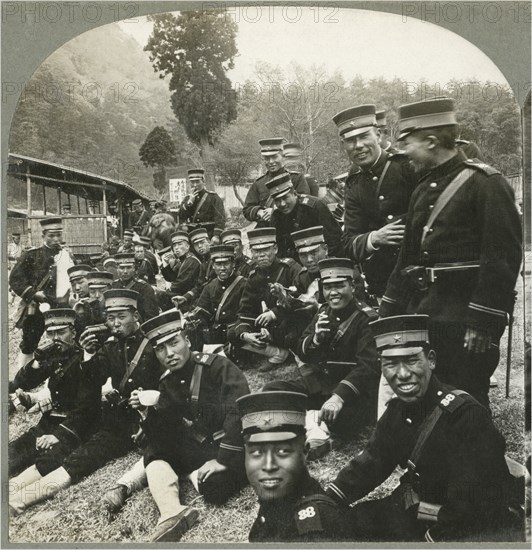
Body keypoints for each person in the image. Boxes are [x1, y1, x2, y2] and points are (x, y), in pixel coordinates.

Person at [326, 314, 524, 542]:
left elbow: (476, 508)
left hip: (467, 524)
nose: (401, 374)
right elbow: (372, 461)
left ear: (431, 360)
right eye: (390, 363)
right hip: (417, 507)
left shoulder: (465, 416)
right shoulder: (397, 410)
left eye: (411, 360)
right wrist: (329, 498)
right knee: (341, 525)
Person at [379, 98, 522, 409]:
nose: (403, 152)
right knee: (432, 399)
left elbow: (503, 258)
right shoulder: (421, 188)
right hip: (427, 313)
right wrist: (388, 313)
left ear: (431, 141)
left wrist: (482, 321)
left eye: (408, 142)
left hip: (465, 319)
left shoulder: (486, 183)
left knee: (468, 399)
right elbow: (407, 259)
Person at [9, 290, 164, 516]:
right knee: (80, 459)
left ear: (136, 315)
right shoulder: (110, 347)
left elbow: (169, 387)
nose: (115, 324)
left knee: (75, 458)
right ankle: (15, 500)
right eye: (111, 319)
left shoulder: (154, 345)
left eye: (121, 317)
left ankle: (16, 501)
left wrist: (149, 412)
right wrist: (90, 355)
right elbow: (93, 382)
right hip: (117, 423)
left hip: (148, 421)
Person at [102, 309, 250, 542]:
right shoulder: (167, 382)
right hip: (197, 448)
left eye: (174, 342)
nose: (169, 353)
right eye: (160, 348)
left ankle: (185, 474)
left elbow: (239, 411)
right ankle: (172, 512)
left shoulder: (218, 366)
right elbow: (166, 432)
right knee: (156, 449)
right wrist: (145, 411)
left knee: (216, 490)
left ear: (187, 340)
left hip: (229, 445)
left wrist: (222, 460)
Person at [264, 258, 379, 458]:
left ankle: (309, 426)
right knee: (271, 391)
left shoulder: (366, 319)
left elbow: (367, 367)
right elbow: (301, 349)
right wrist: (315, 339)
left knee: (342, 418)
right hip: (321, 384)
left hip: (351, 392)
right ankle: (315, 426)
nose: (333, 293)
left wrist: (339, 396)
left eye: (339, 286)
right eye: (327, 287)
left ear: (352, 286)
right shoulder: (323, 311)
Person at [237, 390, 350, 542]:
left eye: (282, 451)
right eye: (257, 452)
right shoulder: (278, 497)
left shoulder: (315, 529)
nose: (269, 466)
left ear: (305, 452)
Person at [8, 308, 101, 486]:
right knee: (14, 451)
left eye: (61, 332)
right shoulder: (53, 358)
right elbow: (22, 383)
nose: (55, 338)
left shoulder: (86, 359)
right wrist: (36, 361)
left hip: (76, 428)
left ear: (73, 333)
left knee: (45, 463)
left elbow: (87, 408)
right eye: (50, 333)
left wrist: (57, 435)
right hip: (50, 422)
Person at [334, 104, 418, 299]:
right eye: (350, 141)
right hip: (383, 284)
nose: (358, 146)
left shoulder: (406, 166)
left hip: (418, 279)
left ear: (378, 135)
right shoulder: (354, 181)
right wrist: (375, 238)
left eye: (364, 136)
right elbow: (349, 243)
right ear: (343, 145)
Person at [9, 217, 74, 370]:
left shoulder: (67, 255)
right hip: (37, 307)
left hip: (61, 306)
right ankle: (23, 376)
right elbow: (15, 279)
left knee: (61, 341)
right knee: (29, 342)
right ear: (43, 236)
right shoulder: (32, 255)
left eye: (58, 235)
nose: (55, 239)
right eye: (51, 235)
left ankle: (57, 376)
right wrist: (33, 293)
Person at [233, 228, 302, 365]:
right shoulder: (254, 276)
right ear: (251, 252)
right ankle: (277, 353)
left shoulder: (290, 268)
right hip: (269, 327)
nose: (262, 255)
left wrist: (274, 313)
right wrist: (246, 334)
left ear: (275, 249)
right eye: (257, 251)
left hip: (290, 322)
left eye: (266, 250)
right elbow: (246, 310)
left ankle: (289, 350)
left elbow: (302, 300)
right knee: (234, 333)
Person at [266, 173, 344, 260]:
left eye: (285, 198)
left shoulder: (314, 207)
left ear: (294, 194)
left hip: (318, 261)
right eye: (277, 200)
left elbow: (335, 240)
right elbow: (277, 248)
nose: (282, 204)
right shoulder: (277, 215)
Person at [185, 245, 247, 350]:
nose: (222, 268)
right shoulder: (210, 286)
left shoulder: (244, 284)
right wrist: (195, 320)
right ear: (213, 265)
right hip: (217, 334)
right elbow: (203, 310)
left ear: (233, 264)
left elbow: (246, 314)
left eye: (226, 263)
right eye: (218, 264)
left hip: (236, 332)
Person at [243, 138, 310, 227]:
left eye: (274, 157)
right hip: (268, 231)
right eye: (266, 158)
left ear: (283, 157)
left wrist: (276, 211)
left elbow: (305, 205)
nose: (271, 162)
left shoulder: (296, 178)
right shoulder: (258, 183)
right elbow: (247, 209)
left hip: (291, 228)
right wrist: (260, 212)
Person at [158, 231, 201, 311]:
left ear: (187, 246)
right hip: (181, 294)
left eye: (180, 244)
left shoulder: (191, 261)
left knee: (159, 295)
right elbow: (171, 278)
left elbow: (179, 284)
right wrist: (166, 264)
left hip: (189, 298)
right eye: (174, 245)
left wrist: (165, 290)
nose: (176, 248)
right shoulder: (182, 260)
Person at [178, 169, 226, 241]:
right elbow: (181, 216)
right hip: (193, 236)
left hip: (209, 235)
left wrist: (216, 235)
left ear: (203, 182)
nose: (195, 185)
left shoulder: (213, 197)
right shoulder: (187, 199)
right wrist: (189, 203)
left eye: (197, 182)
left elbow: (220, 219)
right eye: (192, 182)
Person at [110, 253, 159, 322]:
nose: (125, 271)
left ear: (134, 268)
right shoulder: (113, 286)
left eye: (129, 267)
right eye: (122, 268)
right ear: (117, 269)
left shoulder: (144, 288)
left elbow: (151, 317)